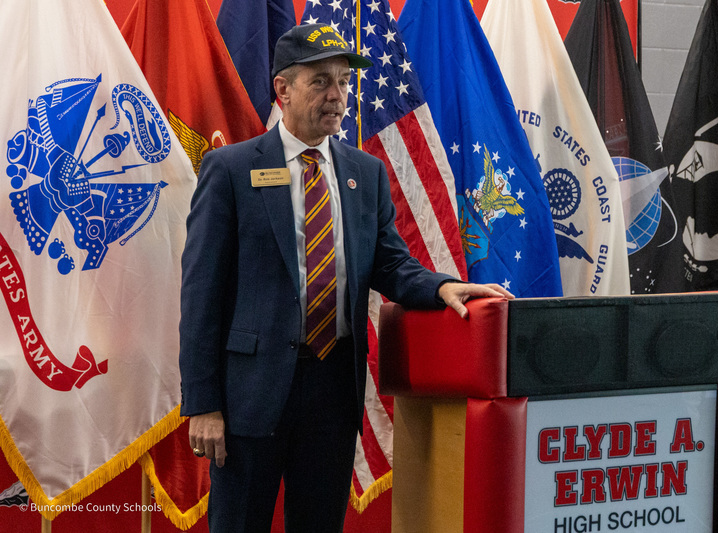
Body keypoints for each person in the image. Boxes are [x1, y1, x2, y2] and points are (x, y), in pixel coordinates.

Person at [178, 23, 513, 532]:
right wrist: (204, 404)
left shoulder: (365, 173)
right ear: (283, 89)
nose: (336, 95)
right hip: (250, 396)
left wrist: (441, 285)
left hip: (332, 392)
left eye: (342, 82)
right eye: (320, 82)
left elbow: (390, 263)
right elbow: (201, 294)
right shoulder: (231, 170)